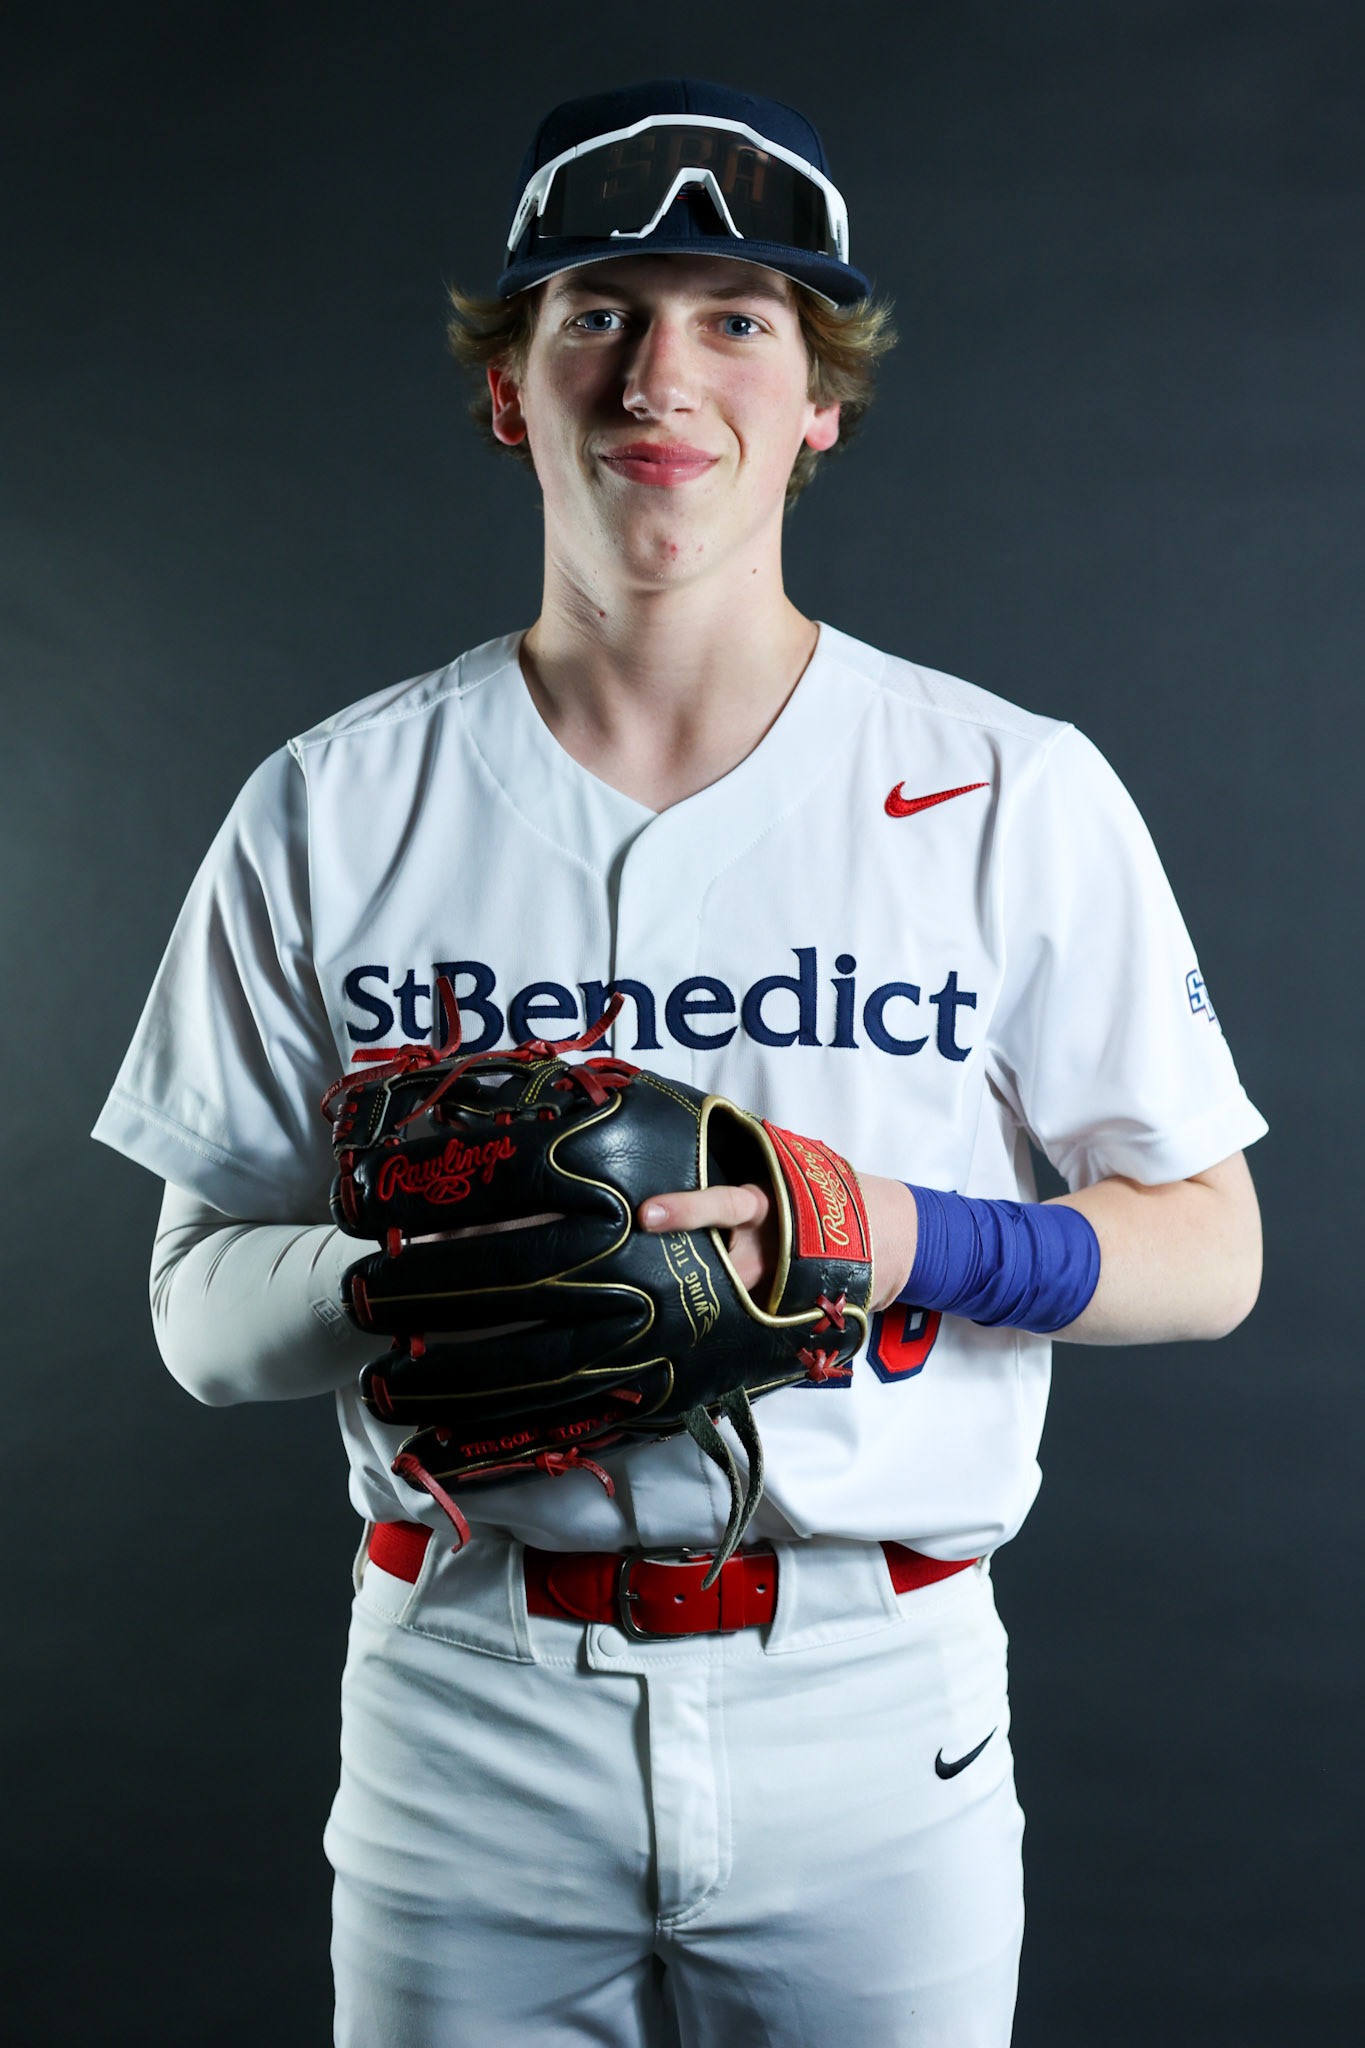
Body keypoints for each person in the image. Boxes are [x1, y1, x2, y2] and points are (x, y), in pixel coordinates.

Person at [94, 77, 1267, 2047]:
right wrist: (411, 1284)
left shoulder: (1007, 787)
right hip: (467, 1692)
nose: (661, 373)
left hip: (874, 1692)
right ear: (510, 390)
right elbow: (196, 1316)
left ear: (819, 406)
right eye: (597, 315)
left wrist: (891, 1229)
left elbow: (1211, 1252)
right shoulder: (330, 805)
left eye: (736, 319)